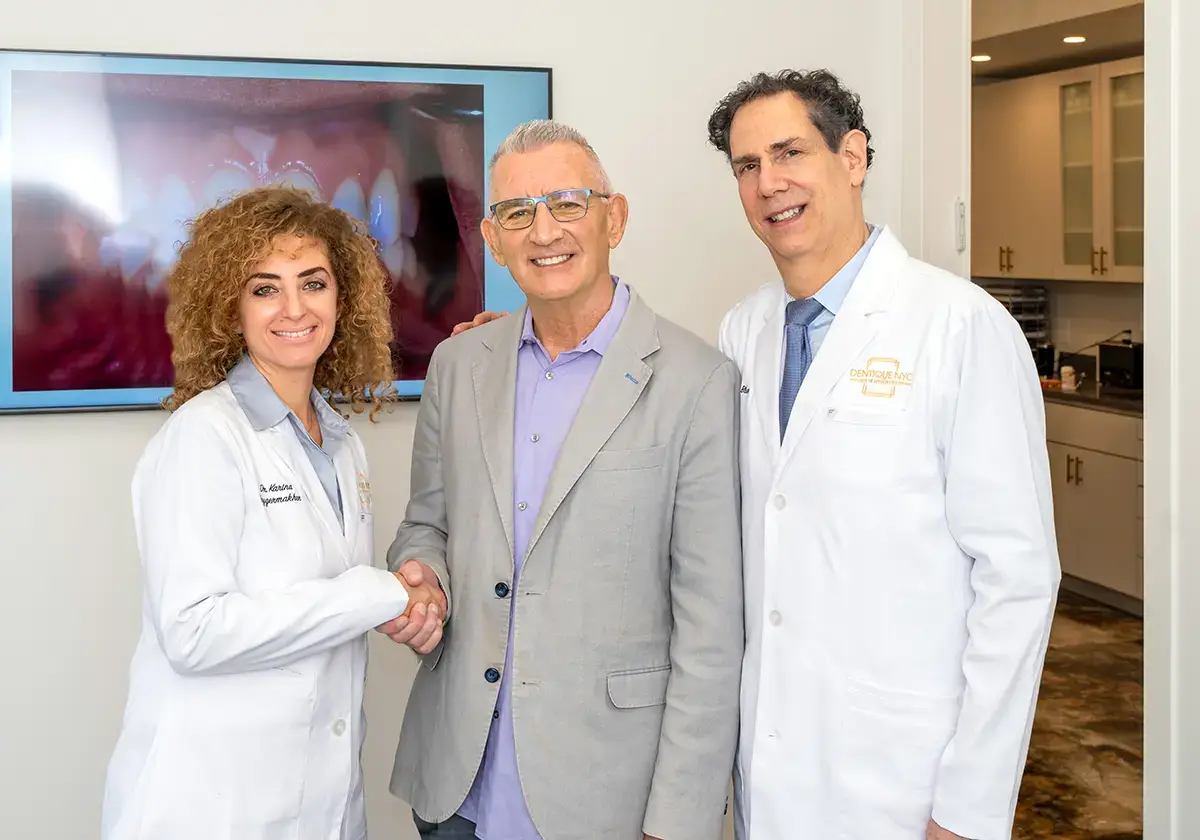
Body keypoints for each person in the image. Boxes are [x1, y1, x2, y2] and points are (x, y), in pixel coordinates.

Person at [706, 70, 1061, 840]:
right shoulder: (744, 331)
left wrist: (968, 804)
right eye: (747, 166)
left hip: (905, 777)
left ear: (854, 156)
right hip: (771, 764)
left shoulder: (960, 326)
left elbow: (1018, 579)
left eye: (790, 152)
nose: (770, 183)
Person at [377, 119, 744, 840]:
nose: (544, 231)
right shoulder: (459, 366)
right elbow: (427, 522)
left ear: (616, 217)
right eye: (518, 213)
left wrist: (681, 817)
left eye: (568, 204)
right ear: (494, 239)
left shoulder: (698, 383)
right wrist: (421, 574)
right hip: (459, 783)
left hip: (605, 795)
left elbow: (710, 627)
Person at [100, 185, 447, 840]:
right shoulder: (204, 437)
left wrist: (406, 605)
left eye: (313, 283)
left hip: (321, 805)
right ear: (230, 307)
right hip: (208, 808)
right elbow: (193, 631)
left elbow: (321, 605)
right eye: (265, 288)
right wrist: (376, 594)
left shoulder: (340, 443)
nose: (294, 308)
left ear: (342, 298)